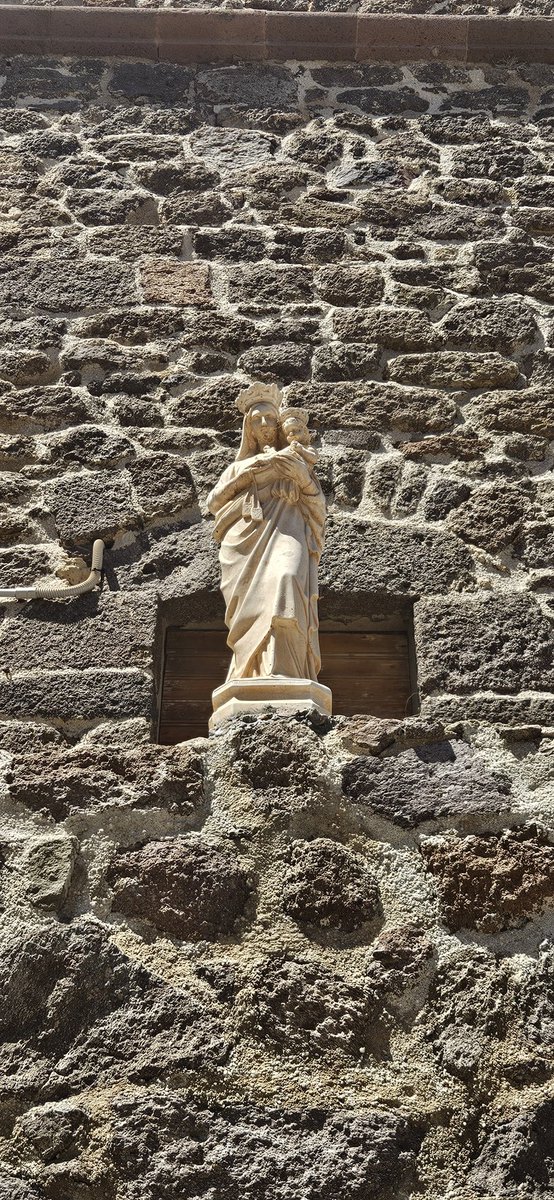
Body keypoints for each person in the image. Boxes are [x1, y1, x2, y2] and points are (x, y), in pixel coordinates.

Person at [207, 383, 326, 683]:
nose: (264, 425)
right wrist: (248, 476)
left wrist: (301, 480)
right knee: (252, 602)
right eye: (257, 419)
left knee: (287, 580)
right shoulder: (238, 467)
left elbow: (319, 509)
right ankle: (250, 671)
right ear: (248, 427)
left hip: (288, 530)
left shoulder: (295, 460)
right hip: (245, 541)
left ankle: (289, 670)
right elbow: (213, 503)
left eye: (270, 419)